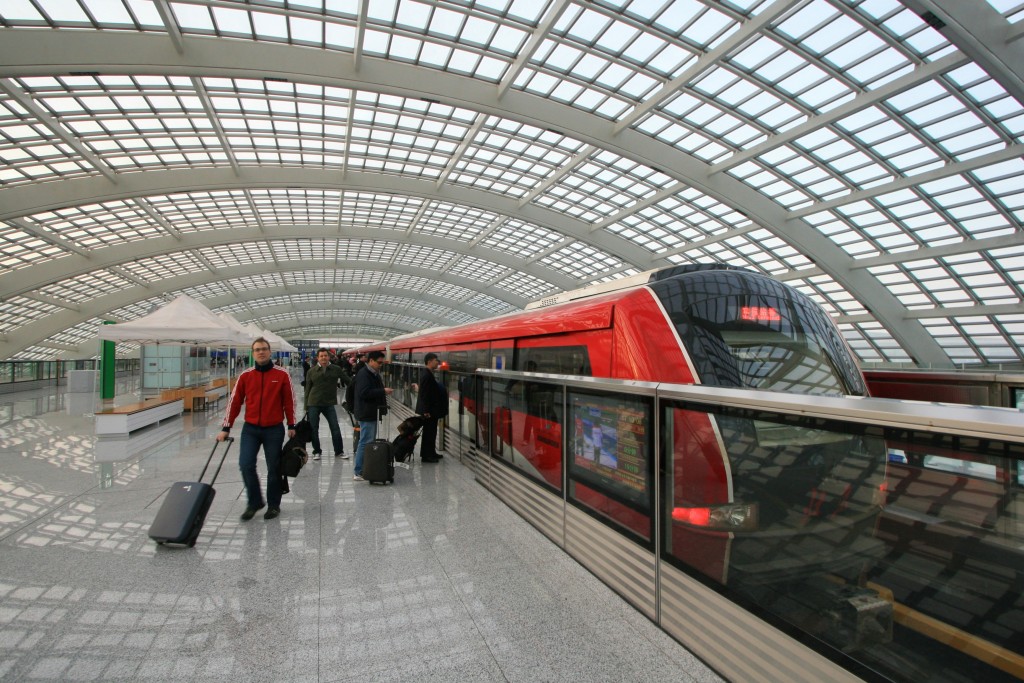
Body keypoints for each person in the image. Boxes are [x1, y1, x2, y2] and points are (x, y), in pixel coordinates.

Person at [217, 337, 296, 521]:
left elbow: (289, 402)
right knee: (245, 464)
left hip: (274, 429)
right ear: (253, 353)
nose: (261, 352)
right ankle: (254, 502)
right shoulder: (246, 376)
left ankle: (274, 505)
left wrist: (291, 424)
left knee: (274, 468)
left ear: (270, 352)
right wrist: (226, 427)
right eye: (257, 349)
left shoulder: (282, 374)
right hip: (250, 429)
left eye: (264, 349)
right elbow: (234, 402)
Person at [352, 350, 393, 481]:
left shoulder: (373, 374)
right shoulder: (364, 374)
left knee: (367, 441)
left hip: (370, 412)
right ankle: (358, 471)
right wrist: (383, 391)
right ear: (371, 361)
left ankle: (365, 467)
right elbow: (364, 393)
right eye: (379, 362)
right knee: (365, 442)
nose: (381, 365)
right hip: (367, 412)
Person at [304, 347, 349, 461]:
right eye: (321, 356)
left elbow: (348, 381)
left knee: (335, 427)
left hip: (329, 403)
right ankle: (316, 451)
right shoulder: (311, 371)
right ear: (318, 358)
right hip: (313, 402)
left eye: (325, 355)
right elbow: (307, 389)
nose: (324, 358)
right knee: (314, 428)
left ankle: (339, 451)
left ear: (329, 357)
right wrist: (306, 407)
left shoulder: (336, 369)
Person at [414, 353, 448, 462]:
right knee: (429, 433)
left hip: (431, 410)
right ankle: (427, 455)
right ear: (429, 361)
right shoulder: (426, 375)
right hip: (429, 411)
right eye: (435, 360)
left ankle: (431, 452)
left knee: (432, 432)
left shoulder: (428, 373)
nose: (437, 362)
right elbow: (424, 394)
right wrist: (426, 410)